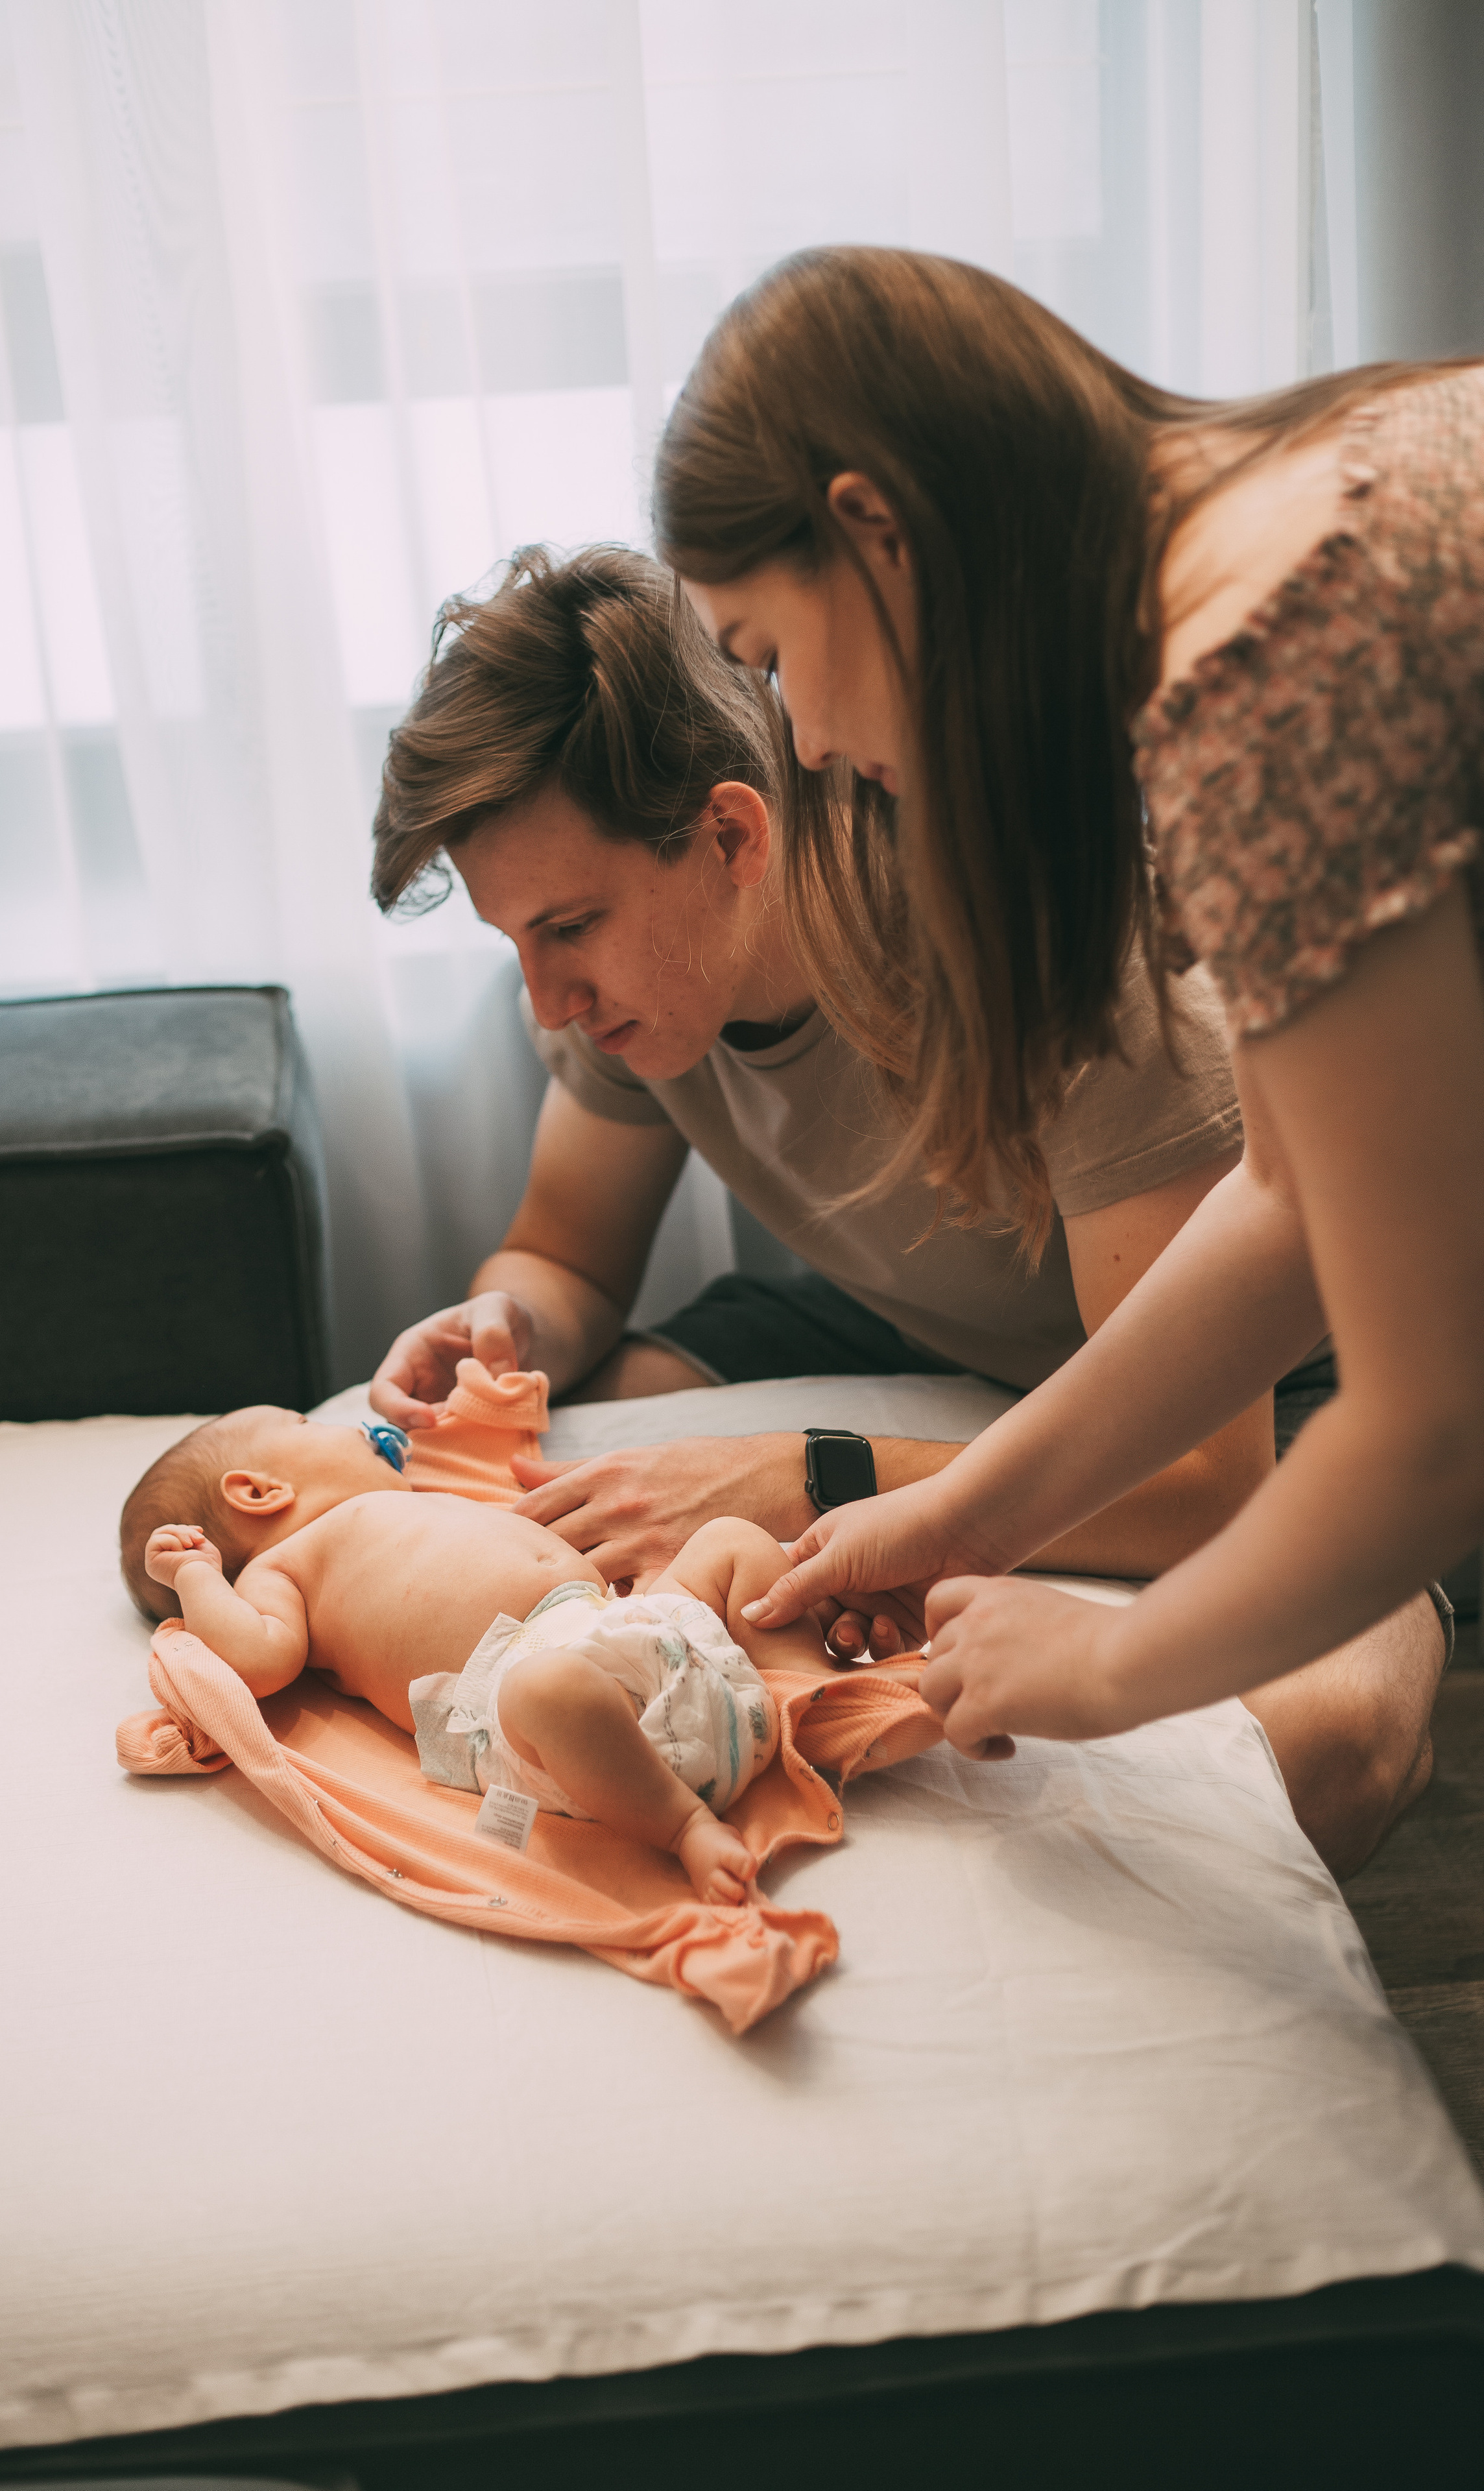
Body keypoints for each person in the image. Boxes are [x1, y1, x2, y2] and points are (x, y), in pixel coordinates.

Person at [365, 545, 1445, 1872]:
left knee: (1320, 1744)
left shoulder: (1039, 939)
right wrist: (506, 1320)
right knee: (538, 1465)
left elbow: (1201, 1476)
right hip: (932, 1306)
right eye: (514, 942)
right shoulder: (629, 993)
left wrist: (801, 1476)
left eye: (569, 929)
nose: (544, 1001)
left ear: (730, 833)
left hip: (1291, 1378)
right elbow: (561, 1255)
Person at [652, 244, 1479, 1785]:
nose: (809, 744)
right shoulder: (1292, 496)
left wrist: (1100, 1662)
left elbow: (1430, 1420)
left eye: (772, 659)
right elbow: (1287, 1206)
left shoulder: (1261, 663)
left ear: (875, 532)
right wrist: (958, 1519)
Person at [120, 1401, 878, 1903]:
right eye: (306, 1420)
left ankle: (810, 1701)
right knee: (549, 1689)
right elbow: (259, 1661)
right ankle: (684, 1829)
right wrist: (196, 1576)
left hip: (624, 1625)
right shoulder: (280, 1568)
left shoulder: (410, 1502)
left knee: (728, 1543)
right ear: (258, 1491)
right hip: (533, 1704)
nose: (354, 1428)